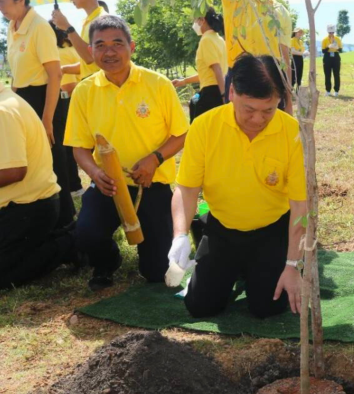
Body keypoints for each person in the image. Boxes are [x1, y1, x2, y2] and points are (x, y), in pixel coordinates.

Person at [166, 53, 307, 319]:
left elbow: (301, 203)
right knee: (200, 306)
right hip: (222, 228)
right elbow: (186, 188)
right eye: (249, 109)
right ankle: (230, 269)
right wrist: (180, 235)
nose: (258, 120)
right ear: (232, 92)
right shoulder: (204, 127)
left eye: (268, 110)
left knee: (267, 307)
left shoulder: (293, 132)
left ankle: (252, 272)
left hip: (271, 229)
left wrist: (292, 264)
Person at [64, 15, 188, 291]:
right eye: (100, 45)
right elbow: (79, 148)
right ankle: (107, 261)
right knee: (86, 234)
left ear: (131, 47)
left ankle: (152, 252)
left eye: (117, 43)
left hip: (151, 184)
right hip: (107, 186)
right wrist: (95, 172)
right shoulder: (84, 91)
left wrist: (154, 160)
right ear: (91, 51)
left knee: (156, 272)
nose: (109, 52)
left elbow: (181, 134)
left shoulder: (157, 84)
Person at [2, 0, 75, 229]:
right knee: (32, 161)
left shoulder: (39, 27)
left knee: (54, 161)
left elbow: (55, 75)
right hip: (22, 98)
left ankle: (66, 226)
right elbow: (18, 74)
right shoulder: (13, 27)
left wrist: (47, 121)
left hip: (45, 98)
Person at [0, 83, 75, 290]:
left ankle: (70, 243)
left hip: (28, 208)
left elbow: (13, 172)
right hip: (19, 205)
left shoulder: (3, 112)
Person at [222, 0, 293, 113]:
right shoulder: (235, 3)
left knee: (270, 128)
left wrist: (289, 101)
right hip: (240, 78)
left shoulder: (281, 12)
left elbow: (285, 58)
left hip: (272, 79)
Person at [172, 7, 227, 123]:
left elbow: (217, 69)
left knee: (199, 133)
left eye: (195, 20)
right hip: (221, 89)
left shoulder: (206, 40)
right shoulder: (219, 40)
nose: (194, 24)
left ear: (202, 20)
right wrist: (184, 81)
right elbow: (209, 74)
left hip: (212, 95)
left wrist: (224, 97)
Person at [50, 21, 84, 196]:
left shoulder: (57, 53)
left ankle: (72, 185)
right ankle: (75, 184)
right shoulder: (73, 50)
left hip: (64, 100)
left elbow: (67, 85)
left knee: (63, 145)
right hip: (78, 101)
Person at [51, 0, 108, 81]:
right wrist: (64, 69)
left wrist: (67, 27)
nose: (70, 0)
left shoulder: (102, 20)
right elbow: (89, 65)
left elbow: (90, 57)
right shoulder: (88, 22)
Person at [322, 24, 343, 97]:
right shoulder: (324, 40)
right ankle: (328, 90)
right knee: (327, 74)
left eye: (332, 32)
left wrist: (336, 47)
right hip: (327, 56)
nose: (331, 34)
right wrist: (328, 47)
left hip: (335, 56)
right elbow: (323, 51)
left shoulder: (337, 39)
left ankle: (336, 90)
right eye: (330, 32)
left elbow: (341, 50)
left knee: (336, 74)